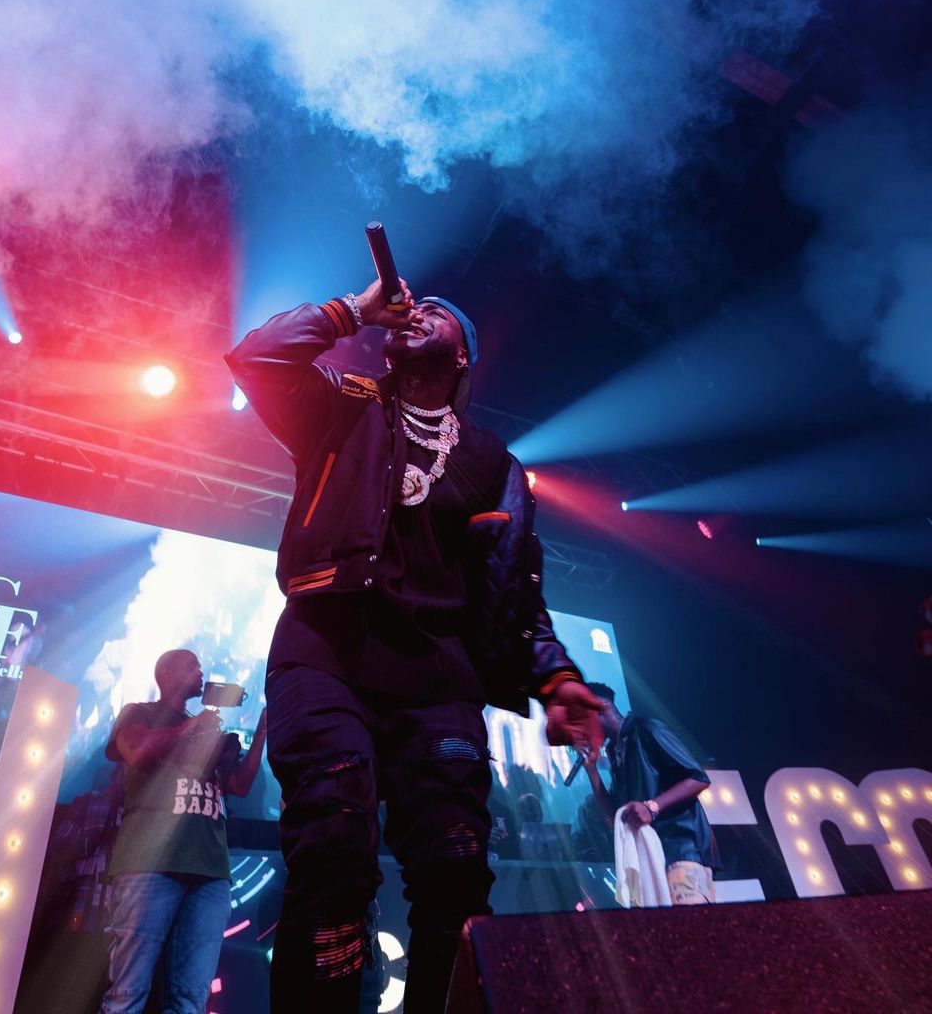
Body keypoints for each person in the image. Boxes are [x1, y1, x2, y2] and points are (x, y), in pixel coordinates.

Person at [226, 276, 603, 1012]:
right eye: (411, 308)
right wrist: (353, 312)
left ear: (463, 356)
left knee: (456, 876)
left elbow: (516, 593)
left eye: (440, 313)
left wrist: (557, 680)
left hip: (438, 684)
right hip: (326, 656)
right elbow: (257, 357)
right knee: (332, 848)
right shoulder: (343, 405)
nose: (419, 311)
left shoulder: (493, 462)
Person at [99, 648, 267, 1014]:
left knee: (191, 998)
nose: (201, 671)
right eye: (192, 665)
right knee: (127, 994)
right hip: (150, 863)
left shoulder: (207, 728)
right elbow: (137, 750)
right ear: (166, 673)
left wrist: (262, 731)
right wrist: (195, 726)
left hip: (210, 869)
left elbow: (238, 785)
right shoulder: (140, 712)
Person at [580, 681, 717, 905]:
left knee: (693, 925)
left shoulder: (646, 729)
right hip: (650, 860)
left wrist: (651, 807)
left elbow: (698, 778)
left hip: (680, 854)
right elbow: (614, 821)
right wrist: (592, 771)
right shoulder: (616, 751)